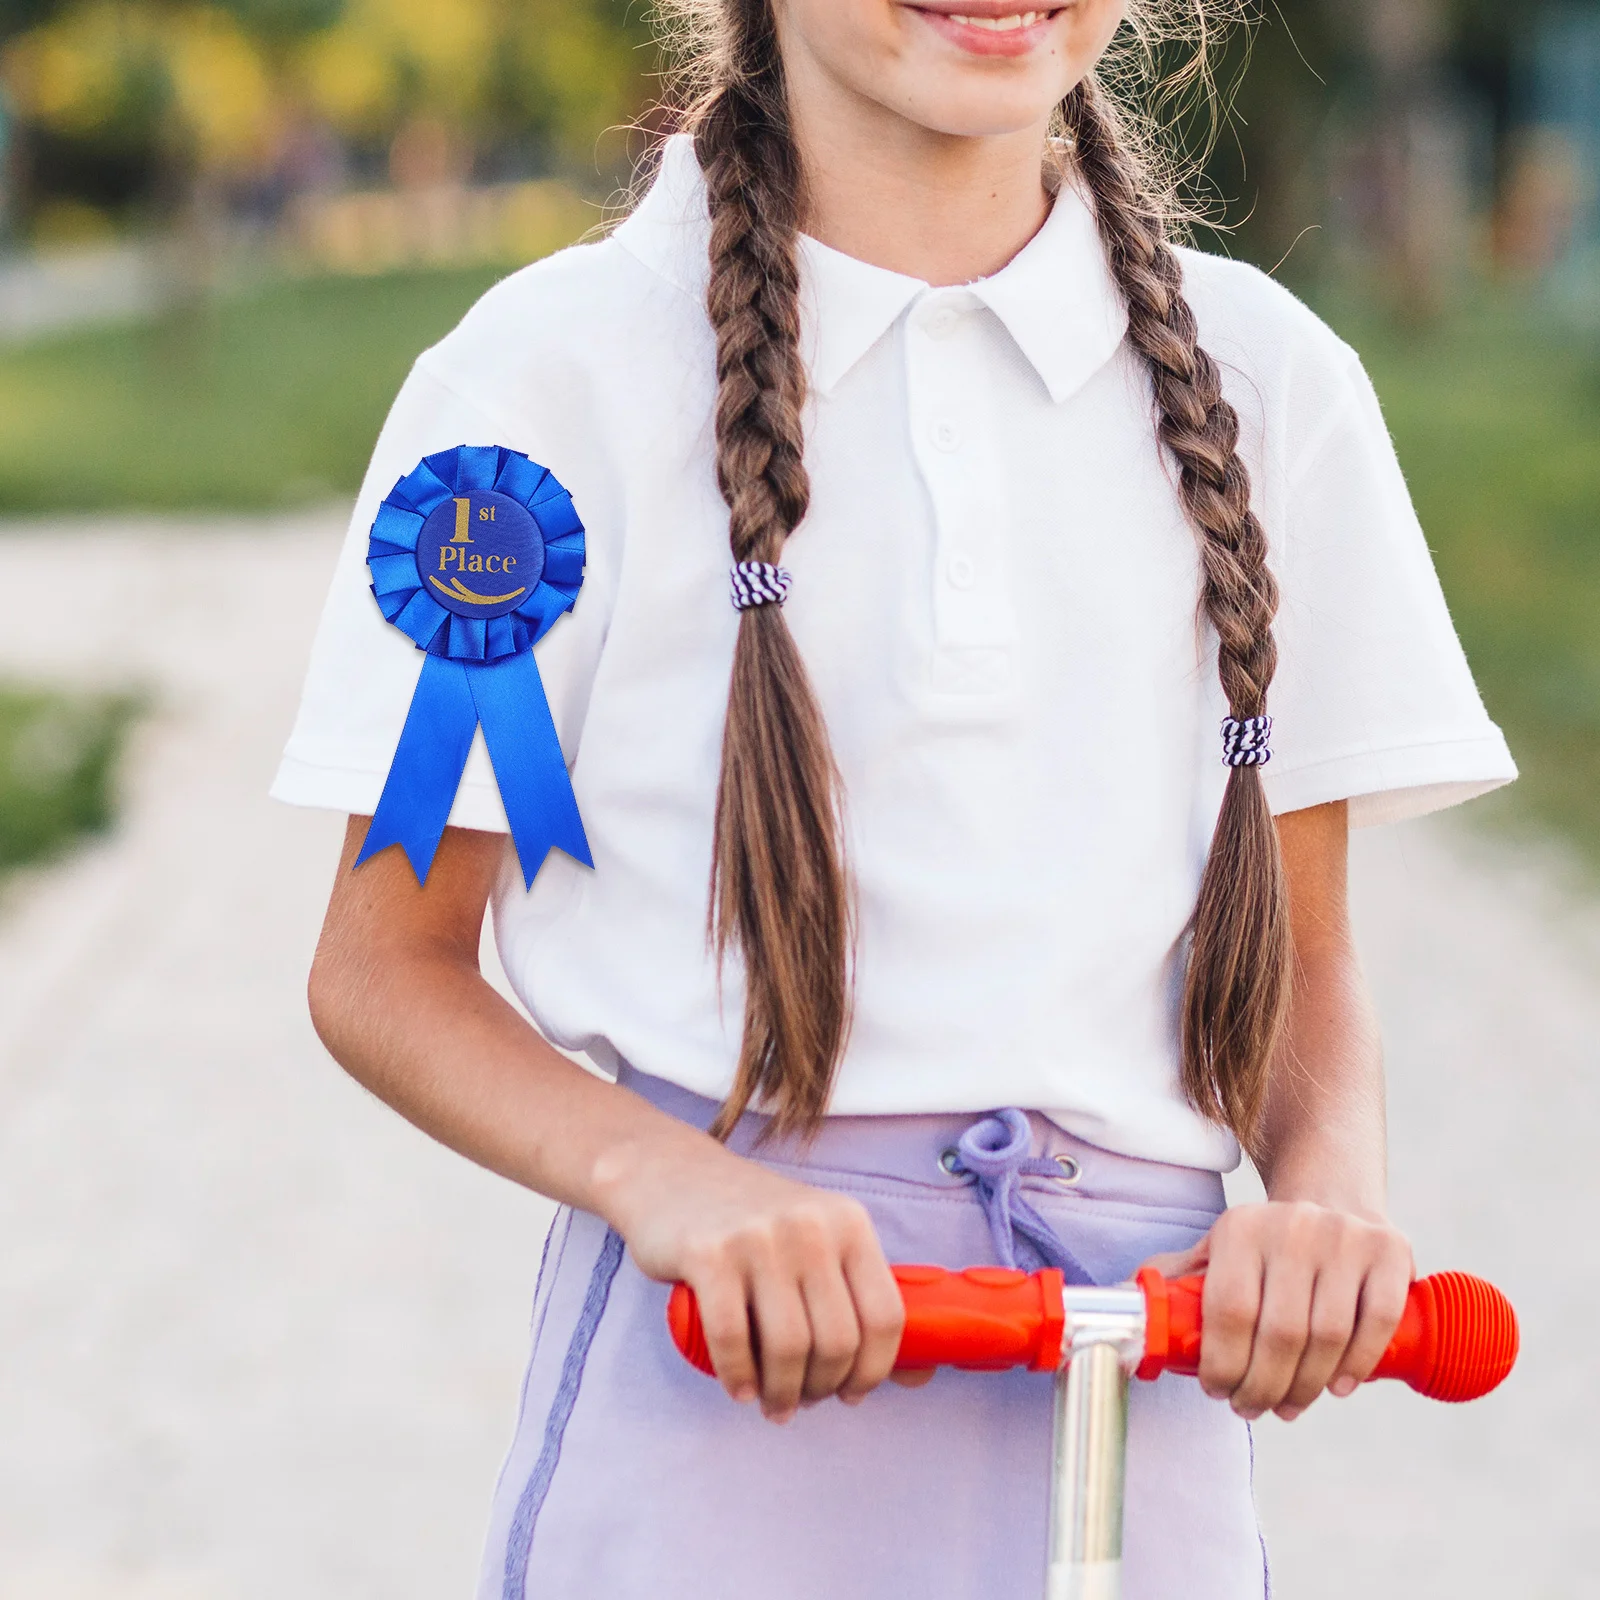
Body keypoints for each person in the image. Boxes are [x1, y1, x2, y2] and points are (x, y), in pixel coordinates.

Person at [272, 2, 1516, 1595]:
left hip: (1140, 1405)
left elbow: (1301, 962)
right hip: (723, 1393)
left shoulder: (1277, 384)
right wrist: (677, 1186)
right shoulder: (531, 392)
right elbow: (385, 964)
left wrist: (1331, 1205)